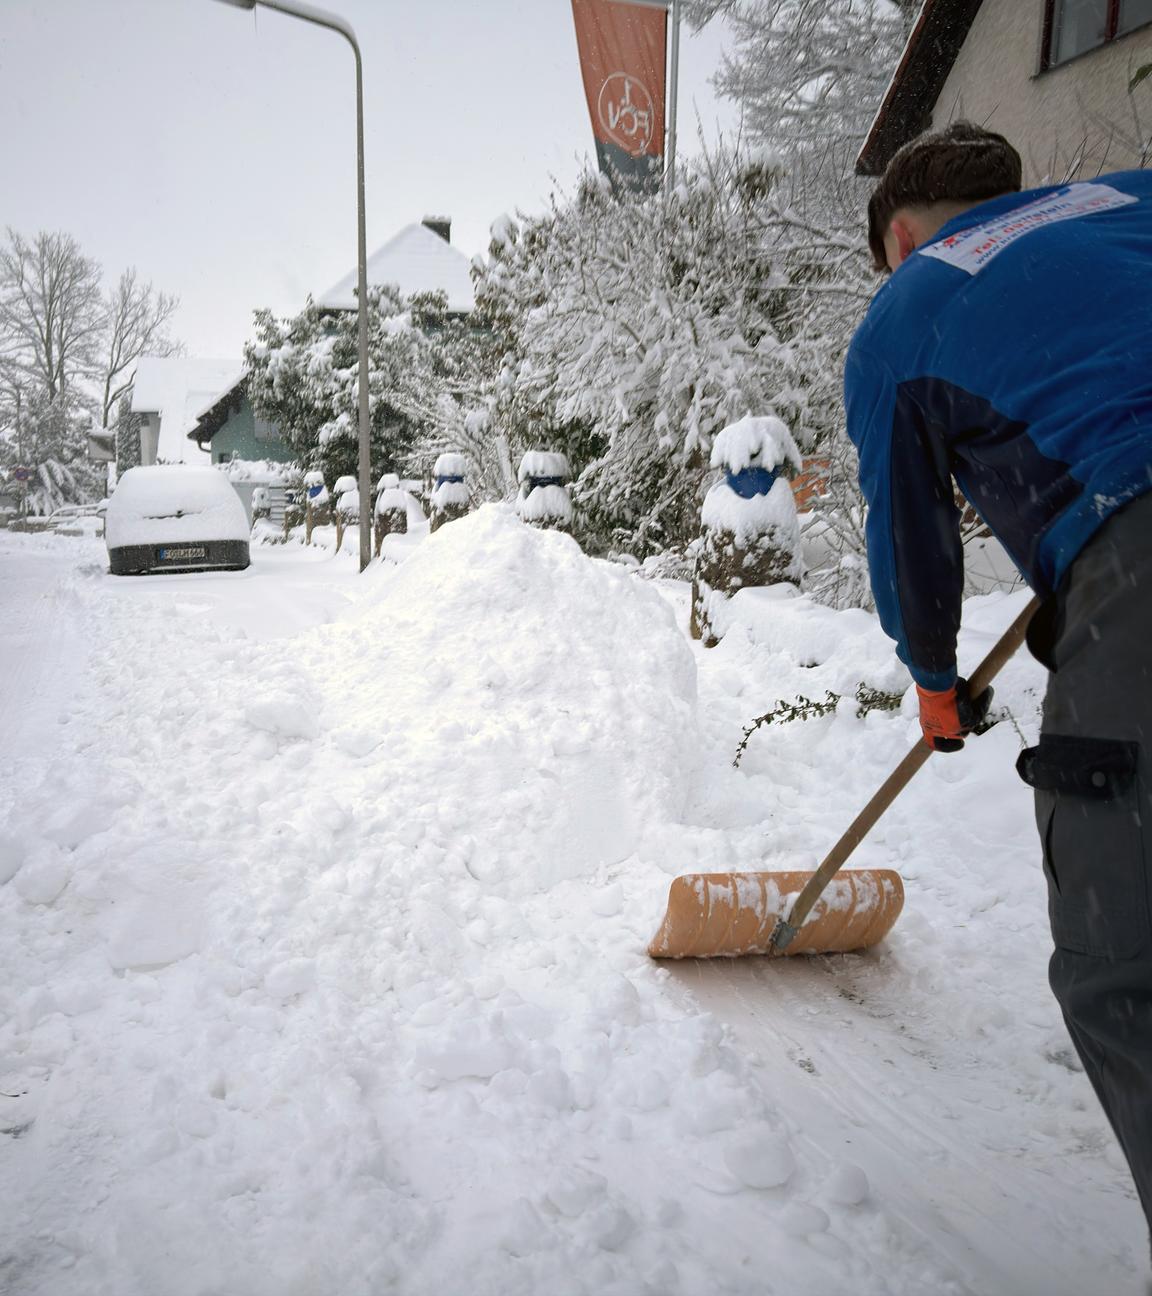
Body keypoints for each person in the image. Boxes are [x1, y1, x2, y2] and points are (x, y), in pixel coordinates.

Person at [844, 121, 1152, 1235]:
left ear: (907, 231)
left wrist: (935, 682)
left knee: (1131, 970)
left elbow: (910, 536)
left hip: (1138, 555)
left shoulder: (908, 305)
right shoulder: (1130, 201)